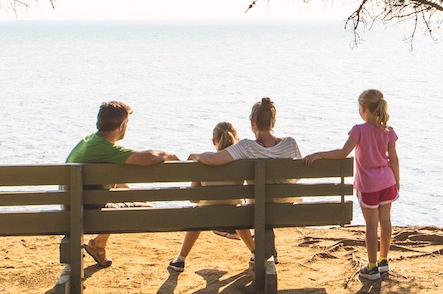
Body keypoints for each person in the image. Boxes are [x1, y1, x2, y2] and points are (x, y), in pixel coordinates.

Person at [169, 98, 302, 273]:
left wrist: (195, 155)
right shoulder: (290, 143)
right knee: (257, 208)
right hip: (288, 211)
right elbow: (298, 176)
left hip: (257, 211)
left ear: (253, 122)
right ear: (274, 120)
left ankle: (181, 258)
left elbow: (215, 159)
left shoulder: (246, 147)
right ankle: (264, 252)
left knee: (250, 208)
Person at [67, 100, 178, 267]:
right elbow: (149, 158)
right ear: (120, 126)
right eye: (127, 123)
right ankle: (97, 244)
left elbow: (118, 182)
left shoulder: (90, 141)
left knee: (132, 203)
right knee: (149, 211)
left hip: (70, 209)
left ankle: (98, 245)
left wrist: (137, 199)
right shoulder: (104, 148)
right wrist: (169, 155)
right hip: (88, 215)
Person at [306, 88, 398, 282]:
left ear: (363, 109)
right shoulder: (388, 131)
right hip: (388, 182)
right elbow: (394, 159)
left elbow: (342, 152)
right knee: (386, 221)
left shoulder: (359, 130)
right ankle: (384, 261)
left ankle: (372, 267)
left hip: (369, 186)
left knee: (371, 225)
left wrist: (318, 154)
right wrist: (397, 182)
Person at [167, 121, 257, 273]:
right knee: (238, 211)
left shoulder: (202, 163)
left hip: (205, 215)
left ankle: (181, 259)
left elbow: (194, 198)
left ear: (214, 142)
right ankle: (255, 252)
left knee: (198, 213)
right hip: (236, 214)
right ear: (236, 141)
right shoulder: (242, 163)